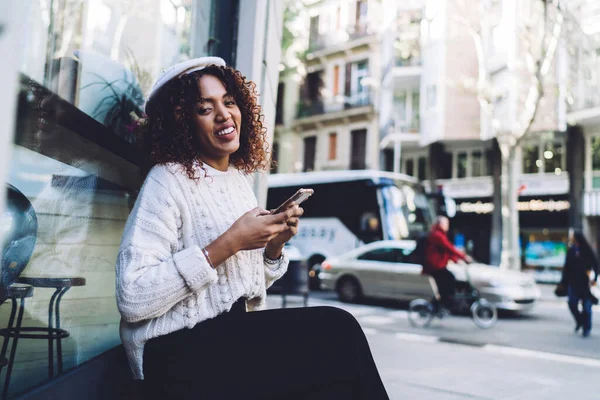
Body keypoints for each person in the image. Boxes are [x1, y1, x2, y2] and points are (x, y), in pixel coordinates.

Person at [115, 57, 389, 399]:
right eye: (205, 108)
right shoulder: (167, 179)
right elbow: (132, 297)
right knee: (338, 330)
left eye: (229, 102)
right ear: (182, 122)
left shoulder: (238, 181)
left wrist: (273, 247)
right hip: (174, 350)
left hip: (232, 335)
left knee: (333, 369)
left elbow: (245, 283)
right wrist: (228, 243)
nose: (224, 114)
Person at [423, 216, 472, 311]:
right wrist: (464, 256)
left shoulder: (440, 234)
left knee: (447, 281)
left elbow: (445, 252)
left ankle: (440, 303)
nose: (448, 226)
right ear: (440, 224)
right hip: (434, 266)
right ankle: (447, 302)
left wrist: (456, 259)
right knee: (449, 279)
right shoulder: (437, 235)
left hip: (438, 265)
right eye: (446, 224)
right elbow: (449, 248)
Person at [560, 231, 599, 338]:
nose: (571, 238)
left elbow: (596, 264)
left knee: (586, 308)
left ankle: (586, 328)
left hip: (585, 284)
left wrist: (594, 278)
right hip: (573, 283)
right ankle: (580, 321)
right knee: (572, 304)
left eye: (573, 237)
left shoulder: (586, 250)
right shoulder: (571, 250)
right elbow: (566, 267)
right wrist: (563, 282)